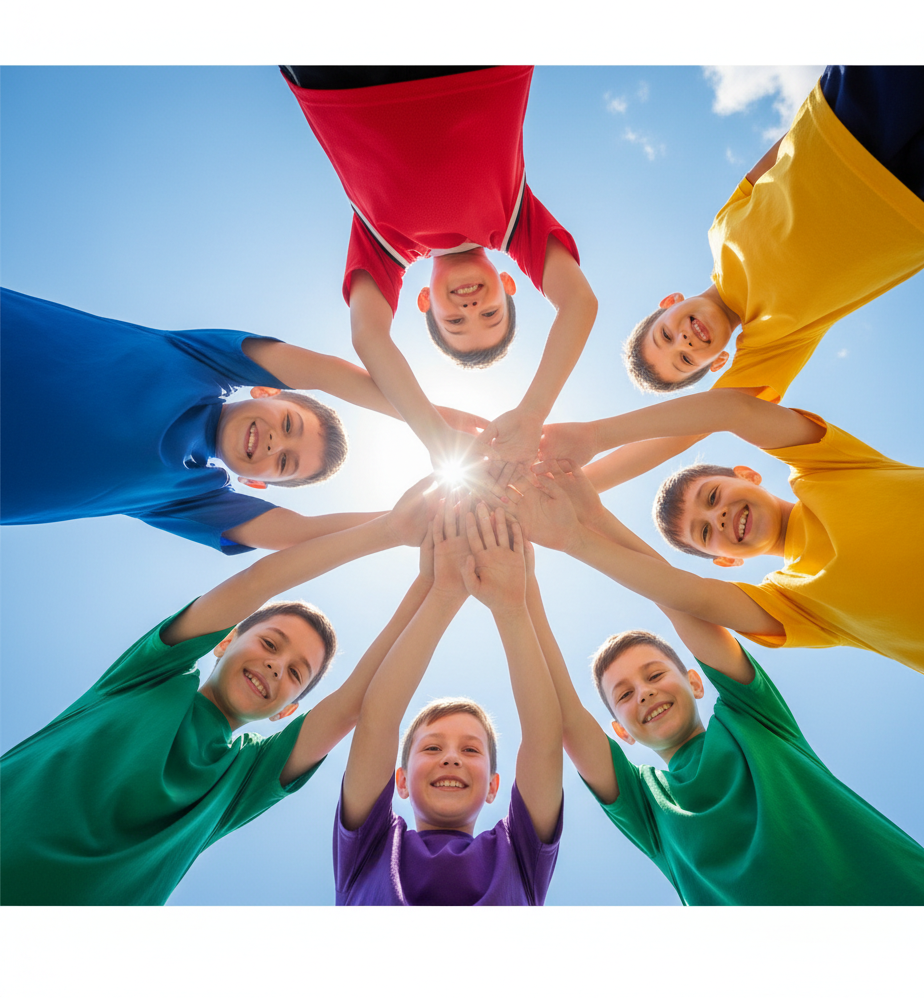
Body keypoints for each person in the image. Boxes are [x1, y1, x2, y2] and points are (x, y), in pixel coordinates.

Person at [506, 462, 924, 904]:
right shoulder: (647, 807)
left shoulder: (752, 717)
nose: (645, 693)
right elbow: (565, 714)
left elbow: (680, 599)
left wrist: (591, 521)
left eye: (654, 674)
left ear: (697, 683)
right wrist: (520, 587)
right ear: (621, 731)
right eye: (625, 695)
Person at [0, 475, 438, 905]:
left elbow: (350, 706)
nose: (275, 665)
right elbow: (256, 582)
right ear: (225, 640)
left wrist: (433, 585)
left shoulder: (245, 775)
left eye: (295, 674)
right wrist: (388, 531)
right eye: (270, 643)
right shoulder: (151, 674)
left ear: (285, 712)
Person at [584, 65, 924, 491]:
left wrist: (821, 105)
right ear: (717, 363)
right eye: (686, 361)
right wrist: (588, 474)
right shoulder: (771, 347)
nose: (684, 342)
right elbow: (685, 431)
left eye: (666, 336)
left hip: (849, 119)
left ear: (669, 301)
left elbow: (767, 167)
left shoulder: (720, 232)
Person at [525, 426, 924, 722]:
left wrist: (600, 441)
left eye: (713, 497)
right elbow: (686, 594)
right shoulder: (796, 603)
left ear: (747, 473)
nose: (717, 518)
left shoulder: (826, 469)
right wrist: (581, 531)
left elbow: (732, 409)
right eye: (705, 533)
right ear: (726, 561)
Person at [281, 65, 598, 475]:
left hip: (343, 87)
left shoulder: (382, 244)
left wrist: (435, 434)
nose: (470, 307)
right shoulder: (517, 219)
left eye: (454, 321)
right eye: (490, 314)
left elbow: (368, 337)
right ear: (507, 283)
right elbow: (579, 303)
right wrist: (533, 411)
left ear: (425, 300)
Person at [0, 286, 482, 552]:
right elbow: (325, 375)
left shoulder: (188, 498)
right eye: (289, 425)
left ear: (256, 485)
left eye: (285, 464)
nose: (275, 445)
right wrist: (439, 424)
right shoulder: (200, 361)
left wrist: (408, 522)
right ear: (269, 390)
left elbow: (301, 533)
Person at [334, 498, 563, 905]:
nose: (451, 758)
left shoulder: (520, 852)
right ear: (399, 779)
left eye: (471, 749)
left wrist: (512, 608)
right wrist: (443, 593)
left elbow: (544, 740)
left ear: (495, 786)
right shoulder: (369, 846)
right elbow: (377, 721)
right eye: (433, 746)